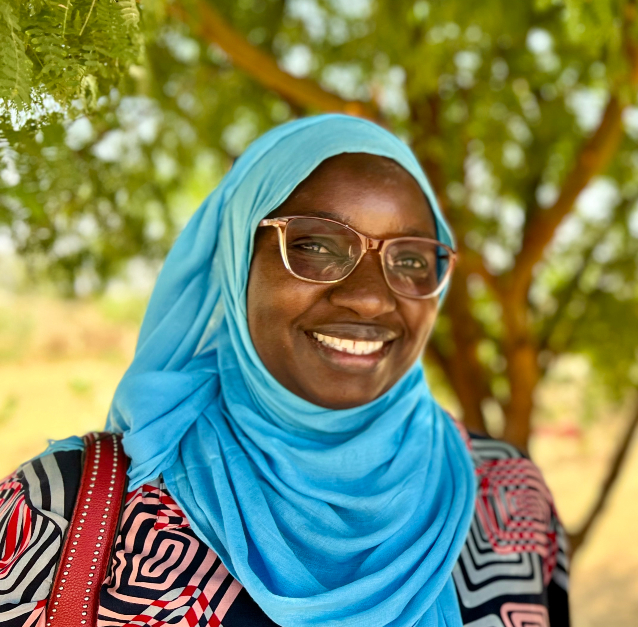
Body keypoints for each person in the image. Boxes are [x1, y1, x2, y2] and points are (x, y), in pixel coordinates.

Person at [0, 115, 569, 627]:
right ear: (237, 261)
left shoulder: (510, 499)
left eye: (412, 259)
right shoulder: (64, 517)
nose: (371, 299)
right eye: (317, 245)